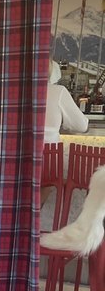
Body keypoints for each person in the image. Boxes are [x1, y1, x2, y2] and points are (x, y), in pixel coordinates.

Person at [42, 60, 88, 207]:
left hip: (18, 158)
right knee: (46, 184)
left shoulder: (15, 90)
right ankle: (33, 219)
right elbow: (81, 125)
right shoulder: (58, 91)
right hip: (48, 158)